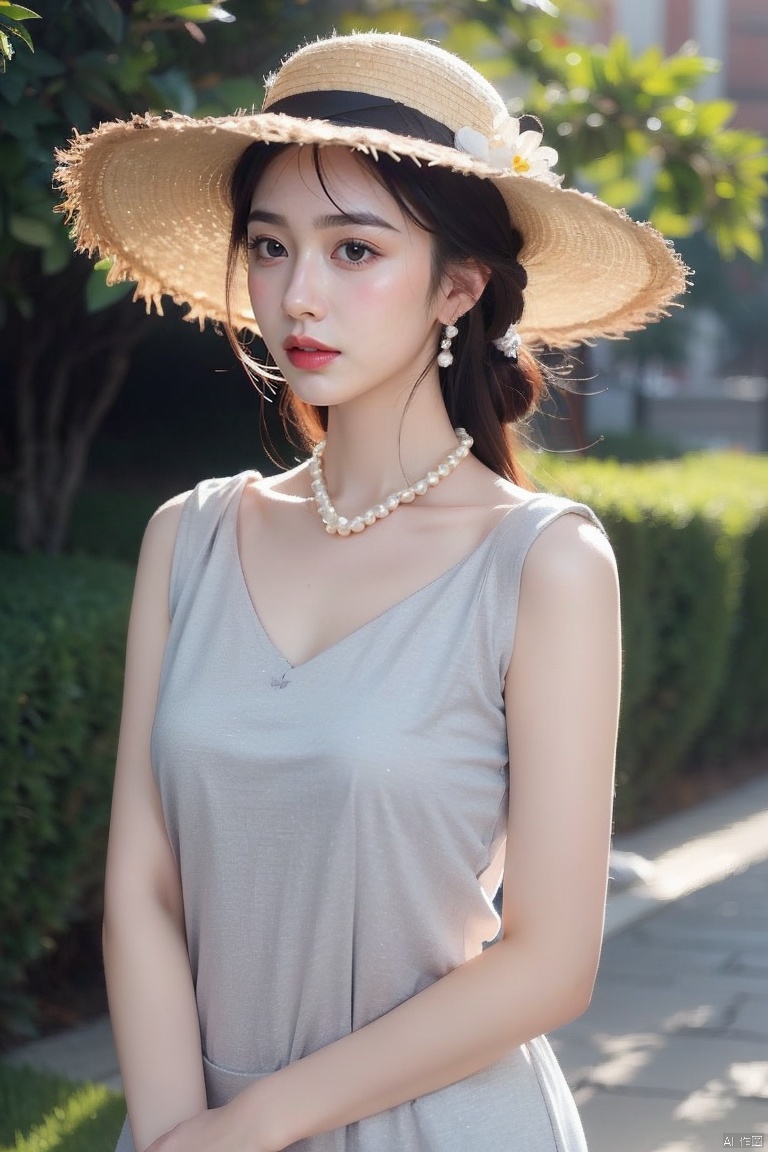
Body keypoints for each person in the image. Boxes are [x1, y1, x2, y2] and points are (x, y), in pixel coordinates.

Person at [56, 31, 685, 1152]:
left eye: (355, 250)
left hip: (438, 1124)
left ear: (458, 284)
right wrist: (168, 1134)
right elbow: (143, 891)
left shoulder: (543, 562)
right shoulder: (190, 537)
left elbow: (549, 963)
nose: (298, 294)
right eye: (269, 244)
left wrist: (250, 1132)